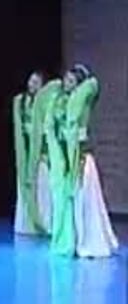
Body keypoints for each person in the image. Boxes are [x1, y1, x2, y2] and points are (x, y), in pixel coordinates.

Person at [46, 64, 118, 258]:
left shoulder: (82, 101)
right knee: (69, 202)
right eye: (66, 79)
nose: (66, 83)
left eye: (71, 81)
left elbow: (93, 85)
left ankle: (89, 242)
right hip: (65, 159)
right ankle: (71, 241)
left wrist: (82, 83)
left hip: (82, 158)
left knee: (84, 202)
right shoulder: (60, 103)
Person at [12, 71, 58, 236]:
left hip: (40, 151)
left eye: (36, 82)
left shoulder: (47, 103)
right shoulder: (21, 101)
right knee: (25, 184)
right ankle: (26, 225)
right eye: (31, 81)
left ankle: (43, 222)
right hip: (26, 149)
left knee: (42, 186)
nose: (32, 85)